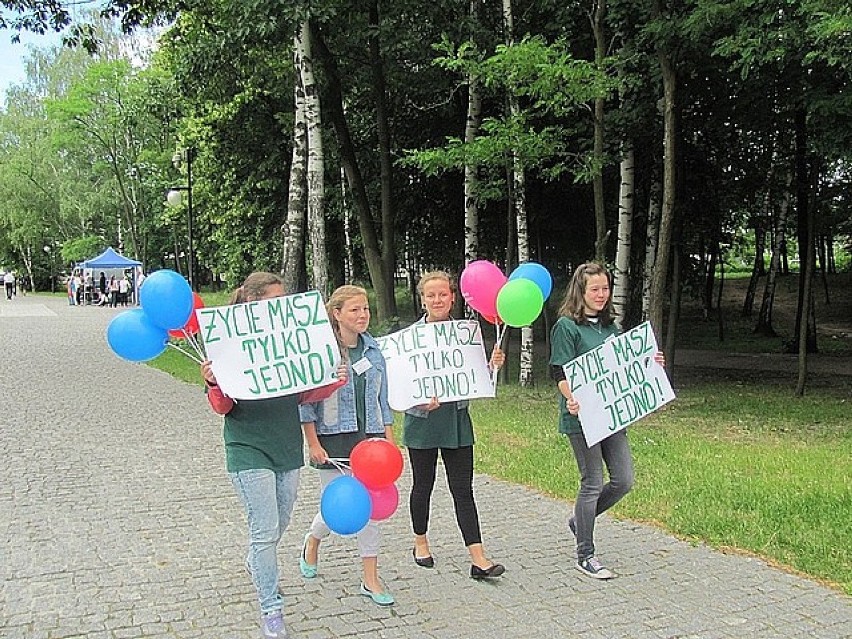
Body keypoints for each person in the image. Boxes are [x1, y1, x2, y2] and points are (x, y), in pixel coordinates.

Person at [201, 272, 344, 639]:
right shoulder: (228, 344)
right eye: (272, 301)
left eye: (283, 300)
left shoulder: (287, 340)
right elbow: (222, 407)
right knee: (264, 530)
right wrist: (214, 382)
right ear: (252, 303)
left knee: (279, 523)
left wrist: (333, 378)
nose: (279, 306)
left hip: (285, 446)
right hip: (247, 446)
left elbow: (304, 392)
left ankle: (256, 562)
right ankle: (271, 608)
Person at [549, 262, 664, 580]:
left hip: (611, 418)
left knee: (624, 480)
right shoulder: (567, 327)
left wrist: (650, 362)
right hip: (581, 418)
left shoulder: (612, 328)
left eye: (605, 288)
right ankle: (585, 554)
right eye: (594, 289)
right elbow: (560, 371)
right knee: (592, 483)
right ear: (581, 291)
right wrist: (570, 397)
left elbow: (623, 369)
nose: (601, 294)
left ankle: (579, 521)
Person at [403, 271, 506, 580]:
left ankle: (478, 558)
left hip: (457, 421)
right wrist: (417, 400)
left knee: (463, 489)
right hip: (422, 422)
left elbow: (476, 380)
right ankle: (420, 542)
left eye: (443, 294)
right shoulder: (410, 338)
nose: (437, 300)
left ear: (453, 297)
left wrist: (492, 366)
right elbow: (399, 385)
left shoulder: (466, 334)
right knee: (424, 485)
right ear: (423, 299)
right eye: (431, 295)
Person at [299, 285, 396, 606]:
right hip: (332, 440)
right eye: (354, 310)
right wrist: (312, 442)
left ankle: (370, 578)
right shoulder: (323, 351)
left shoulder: (374, 351)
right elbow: (306, 403)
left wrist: (389, 443)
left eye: (365, 308)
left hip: (370, 442)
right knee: (337, 509)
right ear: (337, 314)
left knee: (368, 510)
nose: (363, 315)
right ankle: (313, 540)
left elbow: (383, 400)